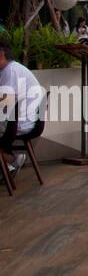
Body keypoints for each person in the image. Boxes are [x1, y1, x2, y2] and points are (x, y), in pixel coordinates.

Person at [0, 35, 45, 176]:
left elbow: (4, 105)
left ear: (1, 54)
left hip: (17, 125)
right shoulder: (13, 69)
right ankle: (10, 162)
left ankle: (10, 163)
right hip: (24, 122)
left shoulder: (10, 72)